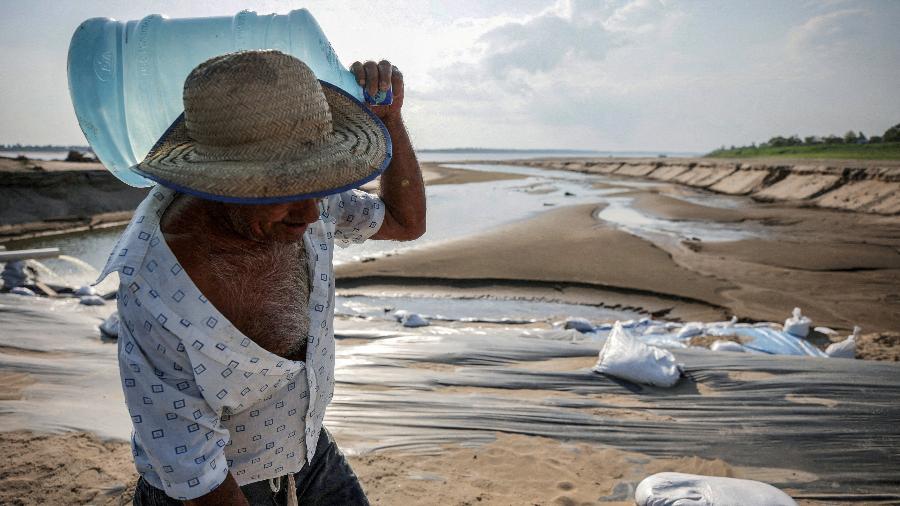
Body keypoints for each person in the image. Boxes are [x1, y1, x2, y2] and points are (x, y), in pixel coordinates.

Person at [95, 50, 425, 505]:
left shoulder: (306, 198)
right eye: (288, 193)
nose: (311, 214)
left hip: (309, 451)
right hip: (220, 485)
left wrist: (390, 120)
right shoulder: (156, 288)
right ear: (218, 182)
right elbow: (196, 476)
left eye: (318, 187)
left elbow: (407, 223)